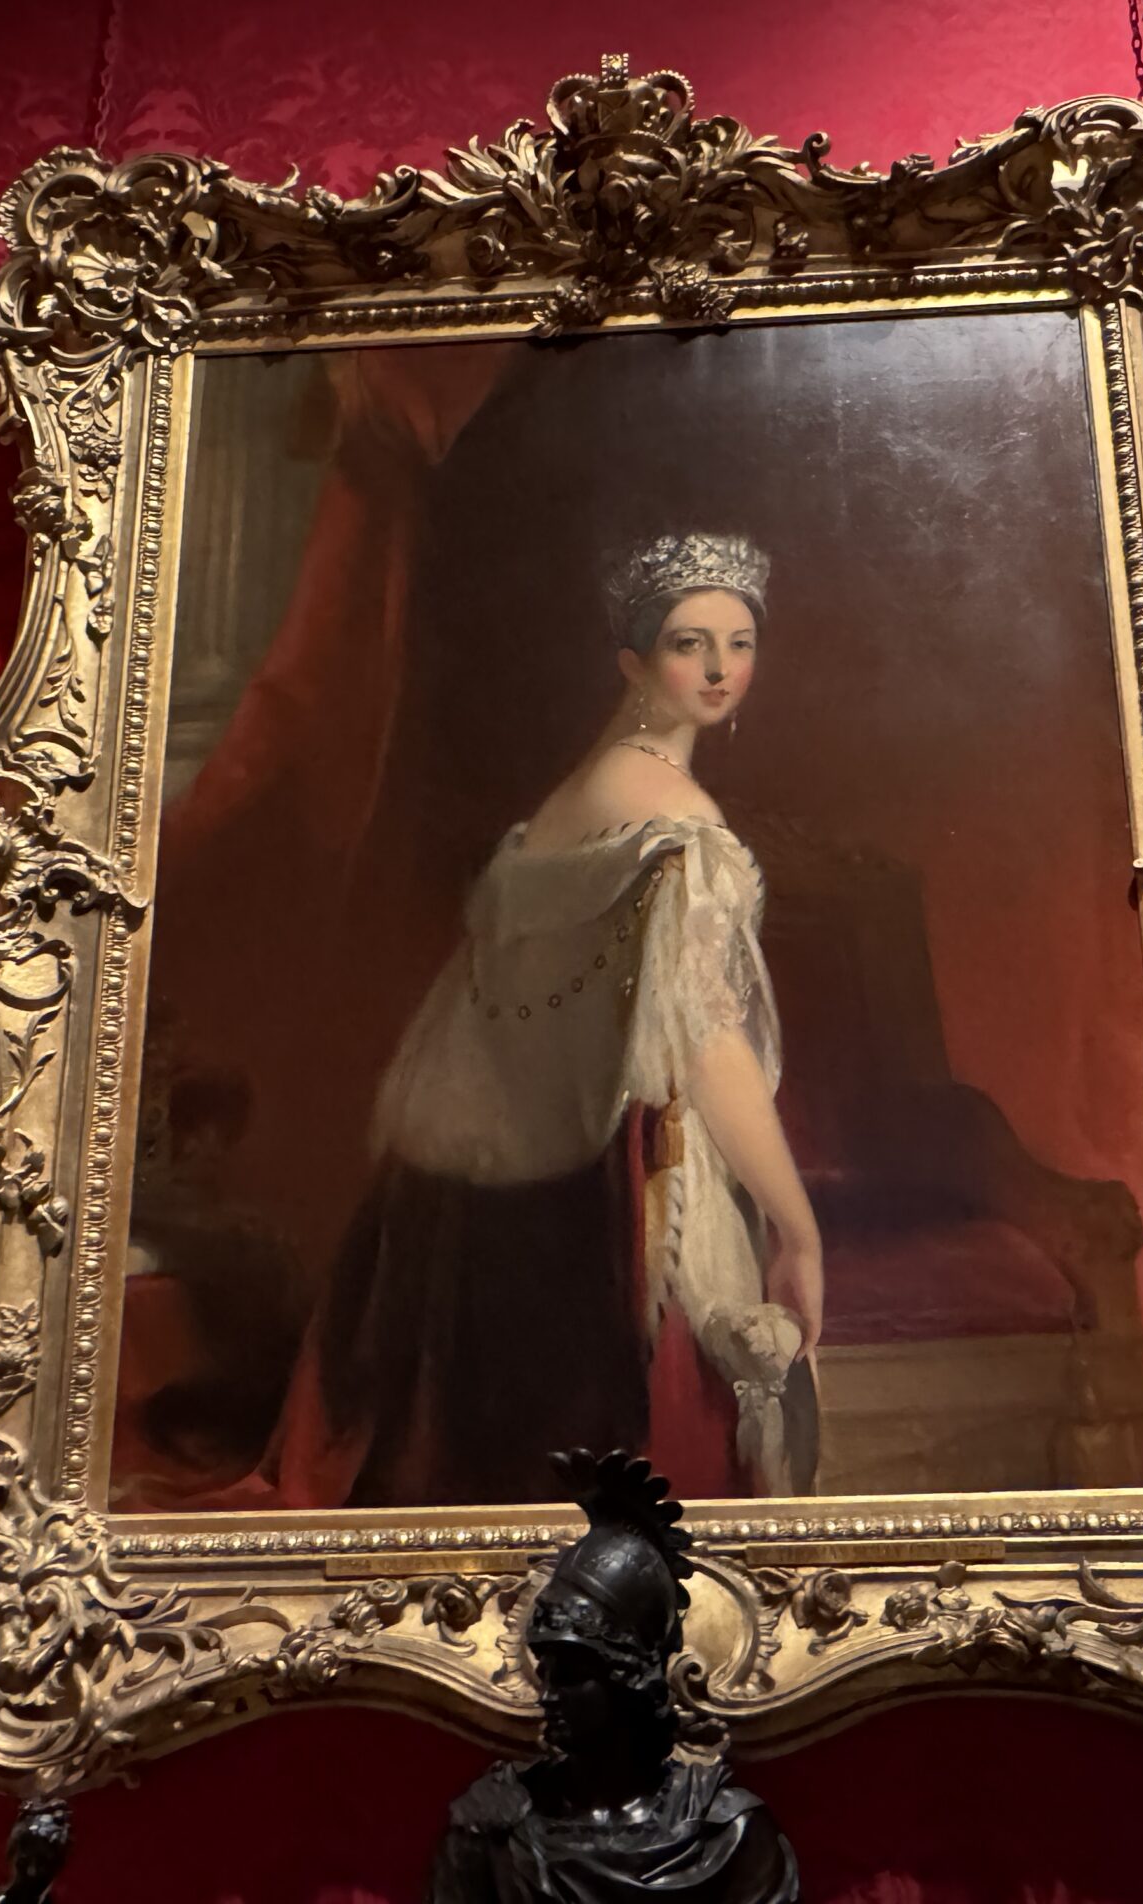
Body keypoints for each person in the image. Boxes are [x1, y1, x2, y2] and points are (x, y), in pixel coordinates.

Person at [274, 535, 824, 1507]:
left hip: (504, 1216)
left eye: (738, 644)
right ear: (632, 662)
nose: (718, 668)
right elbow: (706, 1042)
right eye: (688, 643)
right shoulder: (672, 816)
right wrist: (798, 1229)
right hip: (614, 1205)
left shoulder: (584, 789)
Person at [425, 1451, 800, 1904]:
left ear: (632, 1678)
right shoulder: (492, 1829)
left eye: (572, 1675)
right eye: (546, 1672)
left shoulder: (728, 1834)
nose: (547, 1696)